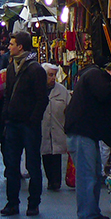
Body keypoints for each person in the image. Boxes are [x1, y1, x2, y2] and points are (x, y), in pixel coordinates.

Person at [64, 59, 111, 219]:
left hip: (86, 134)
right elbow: (104, 97)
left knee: (93, 175)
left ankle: (91, 212)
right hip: (82, 134)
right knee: (87, 175)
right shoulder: (96, 76)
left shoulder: (94, 79)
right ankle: (86, 215)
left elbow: (102, 120)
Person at [0, 31, 50, 217]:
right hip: (13, 123)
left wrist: (33, 120)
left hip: (28, 125)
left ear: (20, 46)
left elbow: (41, 99)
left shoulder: (35, 69)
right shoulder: (12, 66)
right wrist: (6, 115)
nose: (9, 47)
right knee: (11, 165)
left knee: (32, 164)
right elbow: (8, 93)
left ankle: (33, 203)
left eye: (12, 44)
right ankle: (12, 203)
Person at [40, 63, 70, 192]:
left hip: (58, 128)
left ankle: (56, 181)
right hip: (42, 129)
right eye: (50, 75)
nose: (52, 78)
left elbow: (69, 108)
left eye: (54, 75)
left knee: (56, 155)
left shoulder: (62, 90)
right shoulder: (37, 89)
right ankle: (50, 180)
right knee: (46, 154)